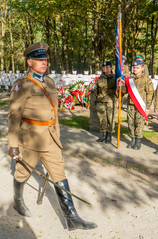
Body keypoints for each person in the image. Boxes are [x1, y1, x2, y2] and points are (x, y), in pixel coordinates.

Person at [8, 42, 97, 230]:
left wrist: (57, 134)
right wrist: (13, 145)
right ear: (29, 62)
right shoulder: (21, 85)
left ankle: (71, 217)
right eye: (39, 60)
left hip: (50, 138)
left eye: (45, 59)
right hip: (30, 139)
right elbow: (14, 116)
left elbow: (54, 110)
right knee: (22, 172)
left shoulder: (49, 82)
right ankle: (17, 201)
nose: (44, 62)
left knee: (59, 173)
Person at [119, 59, 153, 150]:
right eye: (134, 68)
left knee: (139, 123)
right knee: (130, 123)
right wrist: (121, 86)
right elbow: (124, 92)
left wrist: (148, 107)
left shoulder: (146, 79)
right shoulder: (129, 79)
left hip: (141, 106)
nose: (135, 69)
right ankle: (132, 140)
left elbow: (150, 94)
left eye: (137, 68)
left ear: (142, 68)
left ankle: (138, 142)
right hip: (130, 104)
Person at [94, 61, 116, 144]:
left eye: (107, 67)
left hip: (110, 101)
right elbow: (96, 89)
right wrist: (98, 97)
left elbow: (118, 90)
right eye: (104, 67)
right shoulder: (100, 78)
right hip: (101, 102)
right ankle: (103, 135)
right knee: (102, 119)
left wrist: (116, 100)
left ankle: (109, 136)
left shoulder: (114, 78)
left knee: (110, 119)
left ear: (111, 67)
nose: (105, 69)